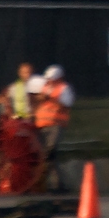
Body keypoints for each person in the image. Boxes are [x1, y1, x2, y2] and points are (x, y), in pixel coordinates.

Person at [34, 65, 75, 193]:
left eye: (52, 78)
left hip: (55, 124)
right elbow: (38, 100)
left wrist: (52, 98)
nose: (49, 80)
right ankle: (57, 185)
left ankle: (53, 184)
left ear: (59, 78)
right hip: (42, 125)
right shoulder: (45, 87)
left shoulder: (64, 89)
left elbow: (67, 103)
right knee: (49, 156)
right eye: (48, 78)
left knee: (50, 153)